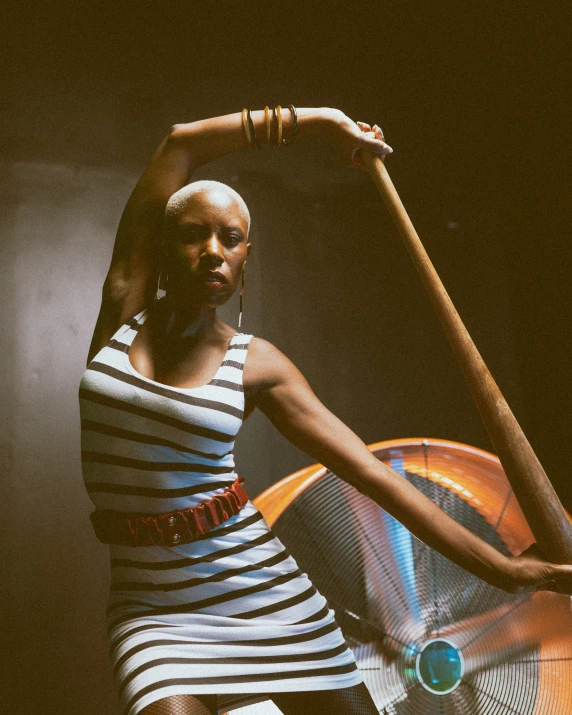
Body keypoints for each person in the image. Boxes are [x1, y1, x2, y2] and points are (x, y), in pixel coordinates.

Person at [79, 106, 572, 715]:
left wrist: (501, 569)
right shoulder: (122, 311)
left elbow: (370, 475)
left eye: (230, 239)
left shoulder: (258, 366)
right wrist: (321, 122)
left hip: (264, 595)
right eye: (193, 235)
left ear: (244, 260)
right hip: (151, 610)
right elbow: (180, 141)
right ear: (161, 243)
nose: (212, 251)